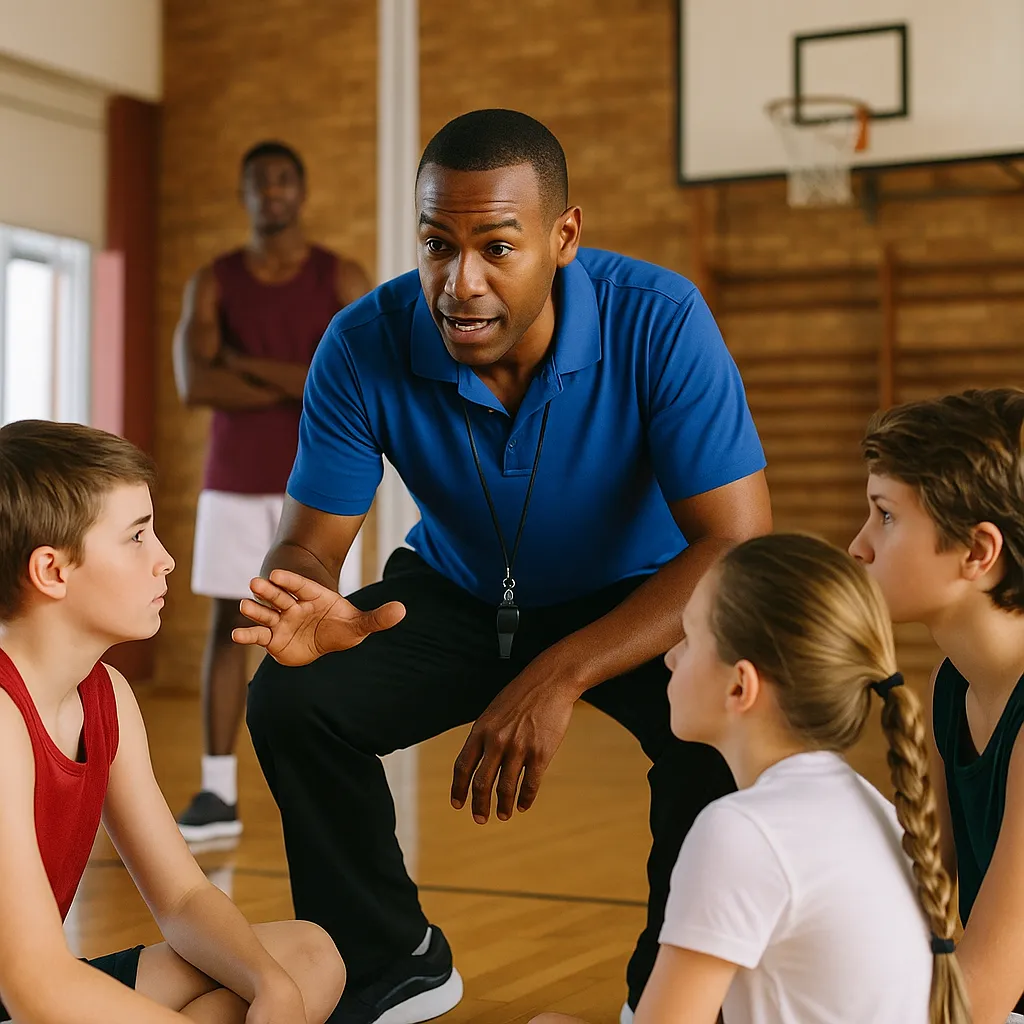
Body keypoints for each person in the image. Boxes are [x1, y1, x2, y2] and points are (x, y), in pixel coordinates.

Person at [239, 108, 772, 1024]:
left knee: (731, 724)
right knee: (295, 699)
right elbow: (308, 543)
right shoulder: (361, 343)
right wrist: (307, 596)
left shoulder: (661, 319)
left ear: (564, 237)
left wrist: (559, 673)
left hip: (642, 594)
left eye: (496, 247)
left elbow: (735, 545)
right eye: (436, 246)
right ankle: (387, 960)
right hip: (458, 588)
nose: (461, 282)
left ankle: (672, 995)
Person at [529, 534, 969, 1024]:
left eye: (688, 638)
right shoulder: (872, 808)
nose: (669, 658)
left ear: (740, 685)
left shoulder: (741, 831)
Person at [0, 419, 346, 1023]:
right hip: (28, 991)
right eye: (136, 537)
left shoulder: (106, 696)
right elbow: (35, 990)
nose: (165, 559)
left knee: (306, 958)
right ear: (52, 571)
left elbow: (183, 897)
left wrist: (270, 987)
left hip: (28, 990)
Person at [172, 140, 372, 841]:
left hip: (323, 485)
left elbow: (360, 375)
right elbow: (195, 383)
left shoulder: (342, 276)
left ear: (302, 191)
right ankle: (218, 793)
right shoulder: (214, 281)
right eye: (260, 182)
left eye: (284, 179)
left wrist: (245, 364)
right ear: (245, 194)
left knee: (325, 623)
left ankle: (335, 785)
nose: (273, 192)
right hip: (233, 480)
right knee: (230, 630)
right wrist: (301, 376)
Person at [850, 387, 1024, 1024]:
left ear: (978, 552)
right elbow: (926, 897)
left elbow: (977, 1002)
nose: (859, 546)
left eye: (886, 516)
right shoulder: (953, 683)